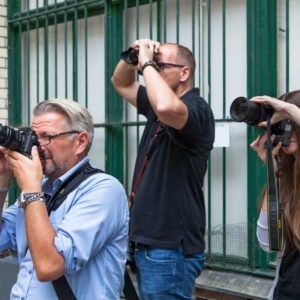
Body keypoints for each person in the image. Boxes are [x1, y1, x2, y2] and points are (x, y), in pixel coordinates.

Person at [111, 38, 215, 299]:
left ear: (184, 72)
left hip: (169, 246)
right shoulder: (157, 107)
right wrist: (133, 56)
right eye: (152, 65)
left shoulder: (196, 108)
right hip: (150, 242)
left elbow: (168, 106)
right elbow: (121, 82)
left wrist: (146, 63)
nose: (152, 71)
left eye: (160, 65)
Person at [0, 99, 129, 299]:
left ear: (81, 142)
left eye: (47, 137)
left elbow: (49, 266)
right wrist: (2, 180)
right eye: (34, 137)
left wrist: (31, 189)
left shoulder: (103, 190)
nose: (37, 146)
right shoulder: (39, 190)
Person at [251, 90, 300, 299]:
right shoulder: (286, 173)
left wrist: (288, 109)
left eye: (288, 123)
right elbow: (270, 242)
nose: (283, 130)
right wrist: (273, 174)